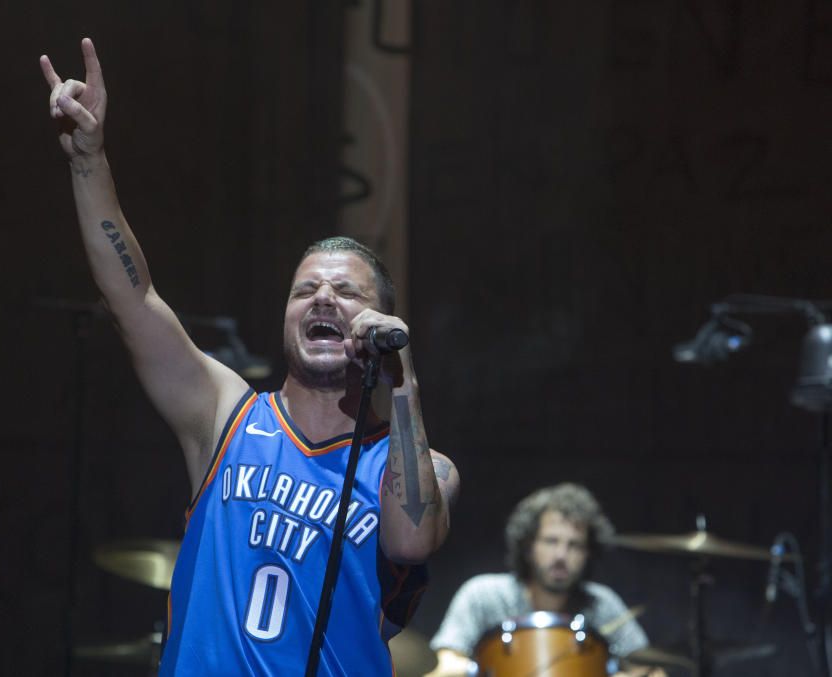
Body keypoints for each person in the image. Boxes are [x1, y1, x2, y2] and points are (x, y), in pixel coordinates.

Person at [39, 38, 459, 676]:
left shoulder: (417, 465)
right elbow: (132, 297)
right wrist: (88, 163)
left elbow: (411, 537)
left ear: (380, 321)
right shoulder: (226, 416)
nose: (323, 297)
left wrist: (401, 379)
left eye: (347, 292)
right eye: (304, 290)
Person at [427, 483, 664, 677]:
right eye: (551, 541)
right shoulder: (483, 595)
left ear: (588, 553)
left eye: (575, 545)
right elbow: (448, 662)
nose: (561, 555)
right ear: (529, 546)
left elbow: (652, 672)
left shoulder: (602, 604)